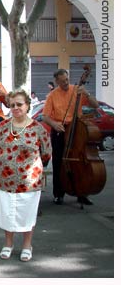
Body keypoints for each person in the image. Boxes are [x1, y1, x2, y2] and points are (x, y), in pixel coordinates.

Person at [0, 89, 52, 262]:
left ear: (27, 105)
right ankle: (8, 243)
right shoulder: (2, 126)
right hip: (6, 179)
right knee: (7, 213)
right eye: (12, 105)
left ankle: (27, 245)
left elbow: (46, 153)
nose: (16, 108)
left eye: (19, 104)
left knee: (27, 213)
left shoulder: (38, 129)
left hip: (29, 180)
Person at [42, 69, 99, 206]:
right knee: (58, 163)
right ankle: (58, 194)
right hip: (60, 130)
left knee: (79, 162)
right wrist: (54, 124)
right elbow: (45, 116)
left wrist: (87, 93)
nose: (66, 83)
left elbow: (95, 105)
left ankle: (82, 193)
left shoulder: (77, 90)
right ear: (57, 82)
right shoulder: (52, 96)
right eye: (62, 81)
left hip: (77, 129)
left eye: (67, 80)